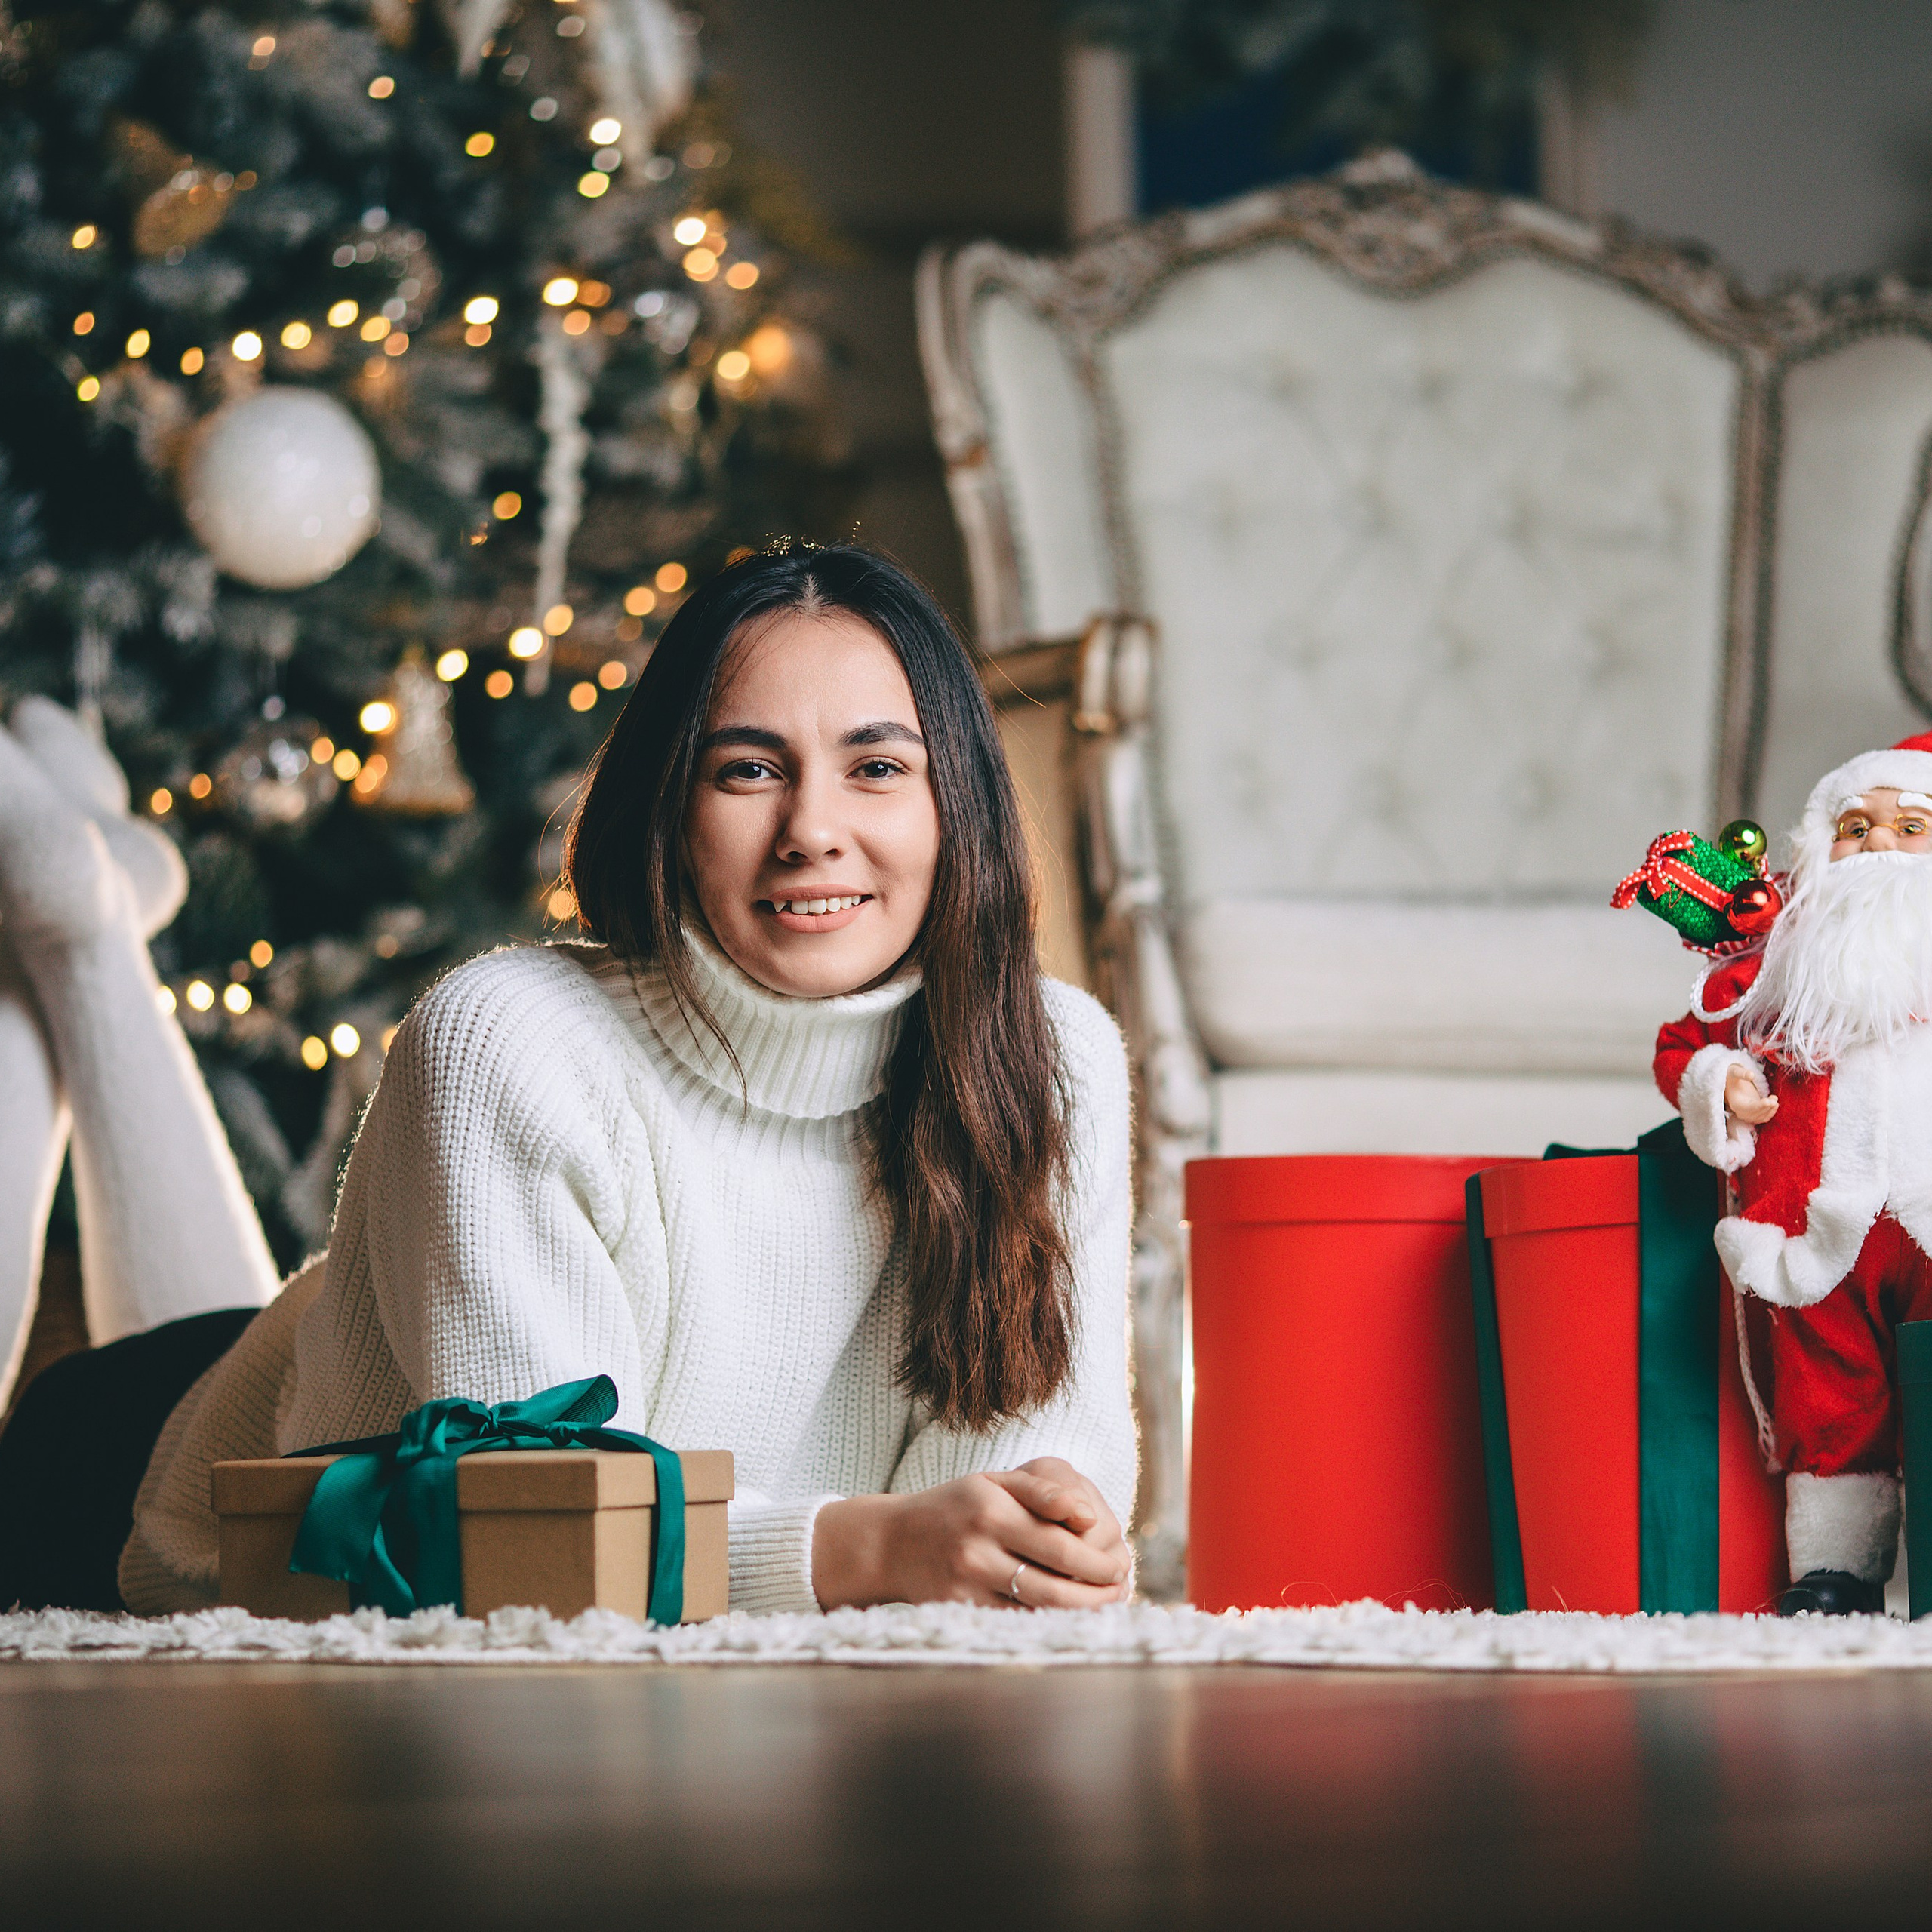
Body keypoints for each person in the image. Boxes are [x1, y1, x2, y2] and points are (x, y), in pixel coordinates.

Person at [0, 543, 1137, 1617]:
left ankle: (82, 921)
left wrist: (1028, 1538)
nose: (813, 830)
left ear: (960, 808)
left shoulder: (1053, 1061)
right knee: (192, 1375)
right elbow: (531, 1531)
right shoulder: (512, 1036)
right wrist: (862, 1549)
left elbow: (1008, 1516)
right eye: (747, 770)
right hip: (151, 1494)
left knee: (265, 1315)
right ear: (671, 807)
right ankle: (77, 922)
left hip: (342, 1350)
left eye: (878, 768)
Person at [1656, 732, 1932, 1615]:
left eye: (1911, 826)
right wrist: (1720, 1082)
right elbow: (1686, 1043)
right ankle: (1837, 1570)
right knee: (1828, 1392)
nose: (1878, 844)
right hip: (1817, 1232)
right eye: (1854, 826)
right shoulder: (1773, 966)